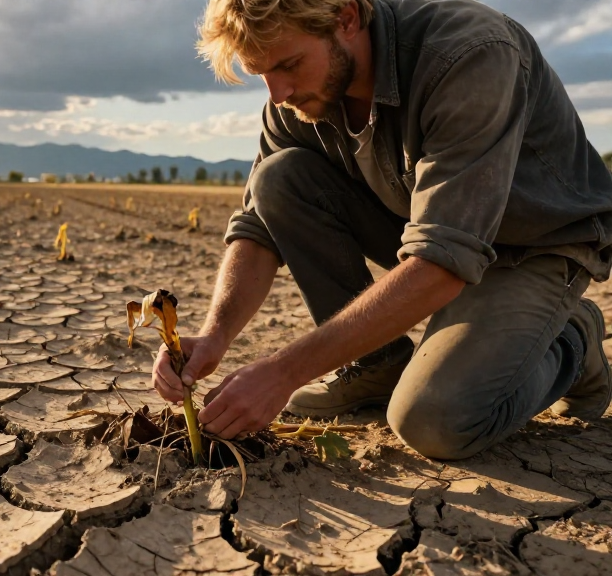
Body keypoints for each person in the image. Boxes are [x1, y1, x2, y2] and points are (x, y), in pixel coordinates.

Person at [152, 0, 612, 460]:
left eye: (289, 65)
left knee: (435, 421)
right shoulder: (300, 97)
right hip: (429, 233)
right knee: (277, 176)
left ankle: (573, 338)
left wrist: (285, 371)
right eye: (262, 75)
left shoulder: (469, 53)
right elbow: (257, 225)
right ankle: (374, 367)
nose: (278, 93)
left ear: (346, 18)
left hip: (532, 247)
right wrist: (214, 336)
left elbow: (441, 262)